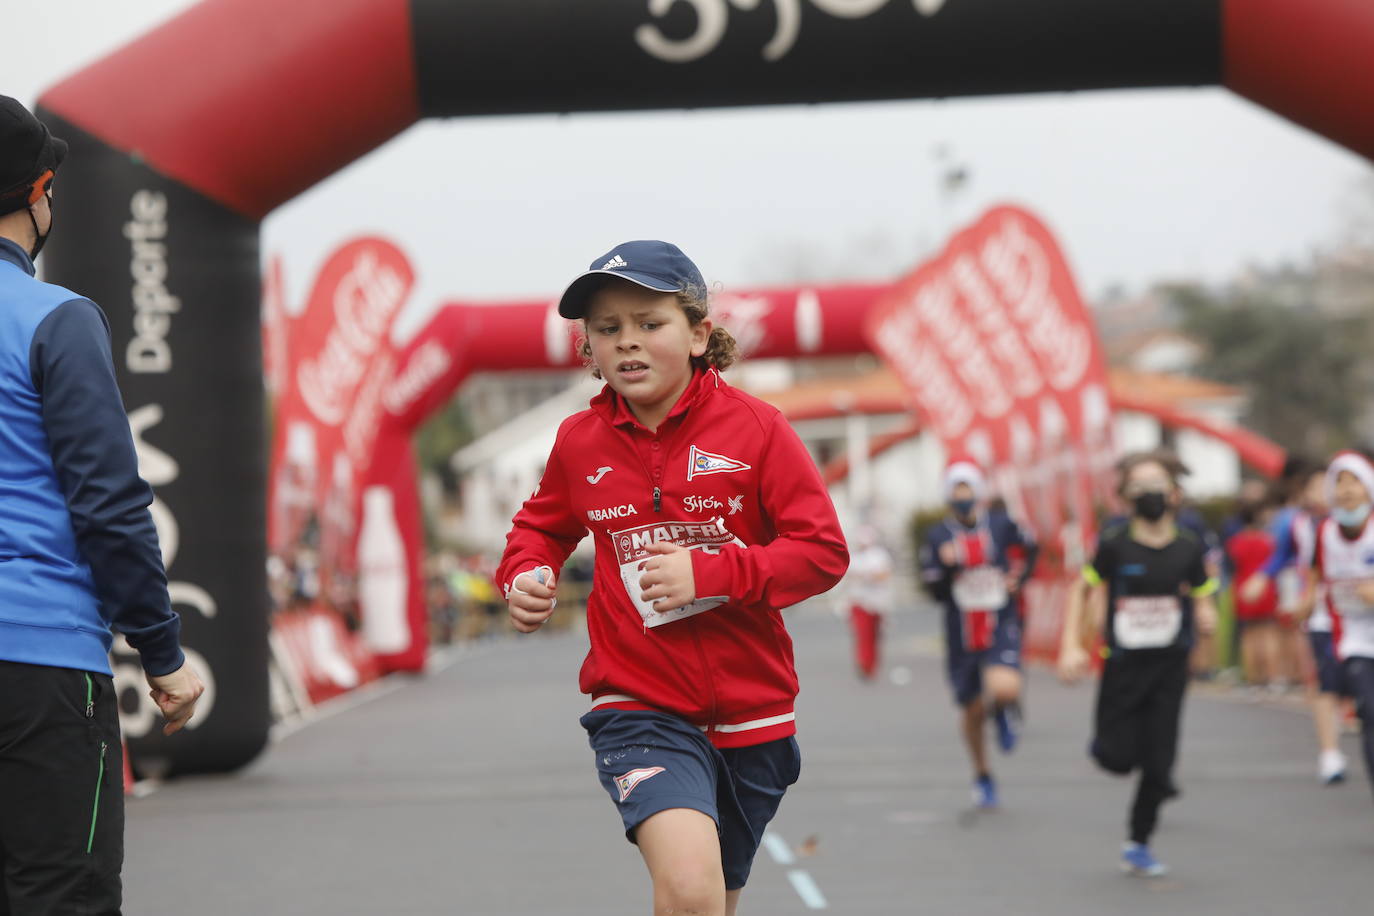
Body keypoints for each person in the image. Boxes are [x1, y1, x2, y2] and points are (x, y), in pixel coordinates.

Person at [496, 240, 848, 916]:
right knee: (688, 890)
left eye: (649, 323)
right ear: (590, 348)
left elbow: (823, 552)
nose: (627, 341)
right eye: (607, 328)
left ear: (698, 335)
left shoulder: (759, 430)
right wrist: (527, 571)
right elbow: (539, 527)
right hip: (639, 706)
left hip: (755, 715)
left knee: (711, 901)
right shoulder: (579, 441)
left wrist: (711, 572)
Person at [0, 95, 204, 914]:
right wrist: (162, 650)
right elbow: (111, 506)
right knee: (59, 896)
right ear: (38, 192)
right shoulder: (56, 319)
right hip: (38, 658)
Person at [1059, 450, 1218, 878]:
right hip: (1123, 666)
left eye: (1157, 485)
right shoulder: (1115, 544)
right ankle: (1107, 749)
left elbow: (1202, 588)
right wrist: (1071, 645)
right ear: (1126, 496)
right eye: (1139, 486)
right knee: (1117, 757)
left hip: (1169, 666)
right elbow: (1082, 588)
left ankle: (1139, 841)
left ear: (1174, 493)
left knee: (1159, 764)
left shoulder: (1188, 545)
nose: (1149, 493)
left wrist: (1207, 613)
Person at [920, 462, 1038, 809]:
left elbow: (1031, 547)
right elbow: (935, 591)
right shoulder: (938, 536)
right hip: (962, 630)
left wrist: (1019, 578)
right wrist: (948, 567)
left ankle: (1002, 709)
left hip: (1000, 619)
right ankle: (983, 774)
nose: (963, 498)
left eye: (968, 490)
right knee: (972, 710)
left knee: (1005, 686)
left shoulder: (1000, 525)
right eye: (956, 492)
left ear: (978, 493)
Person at [1241, 458, 1345, 782]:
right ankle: (1330, 753)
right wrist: (1261, 579)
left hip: (1359, 617)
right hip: (1320, 613)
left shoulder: (1361, 522)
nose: (1321, 493)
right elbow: (1281, 556)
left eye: (1328, 485)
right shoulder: (1297, 524)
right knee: (1323, 682)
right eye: (1314, 487)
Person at [1307, 451, 1374, 803]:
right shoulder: (1326, 532)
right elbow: (1316, 575)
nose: (1347, 490)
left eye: (1355, 482)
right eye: (1340, 482)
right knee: (1369, 711)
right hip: (1355, 637)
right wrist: (1304, 602)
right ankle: (1331, 754)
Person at [1226, 500, 1281, 689]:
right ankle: (1271, 677)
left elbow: (1232, 566)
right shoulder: (1267, 540)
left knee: (1248, 635)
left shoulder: (1235, 542)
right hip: (1264, 587)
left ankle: (1253, 679)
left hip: (1243, 588)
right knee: (1268, 633)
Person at [846, 525, 895, 681]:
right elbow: (849, 576)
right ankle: (864, 664)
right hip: (859, 601)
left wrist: (867, 576)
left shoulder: (879, 555)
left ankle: (872, 665)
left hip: (878, 602)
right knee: (863, 635)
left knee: (875, 635)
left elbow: (884, 574)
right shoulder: (853, 556)